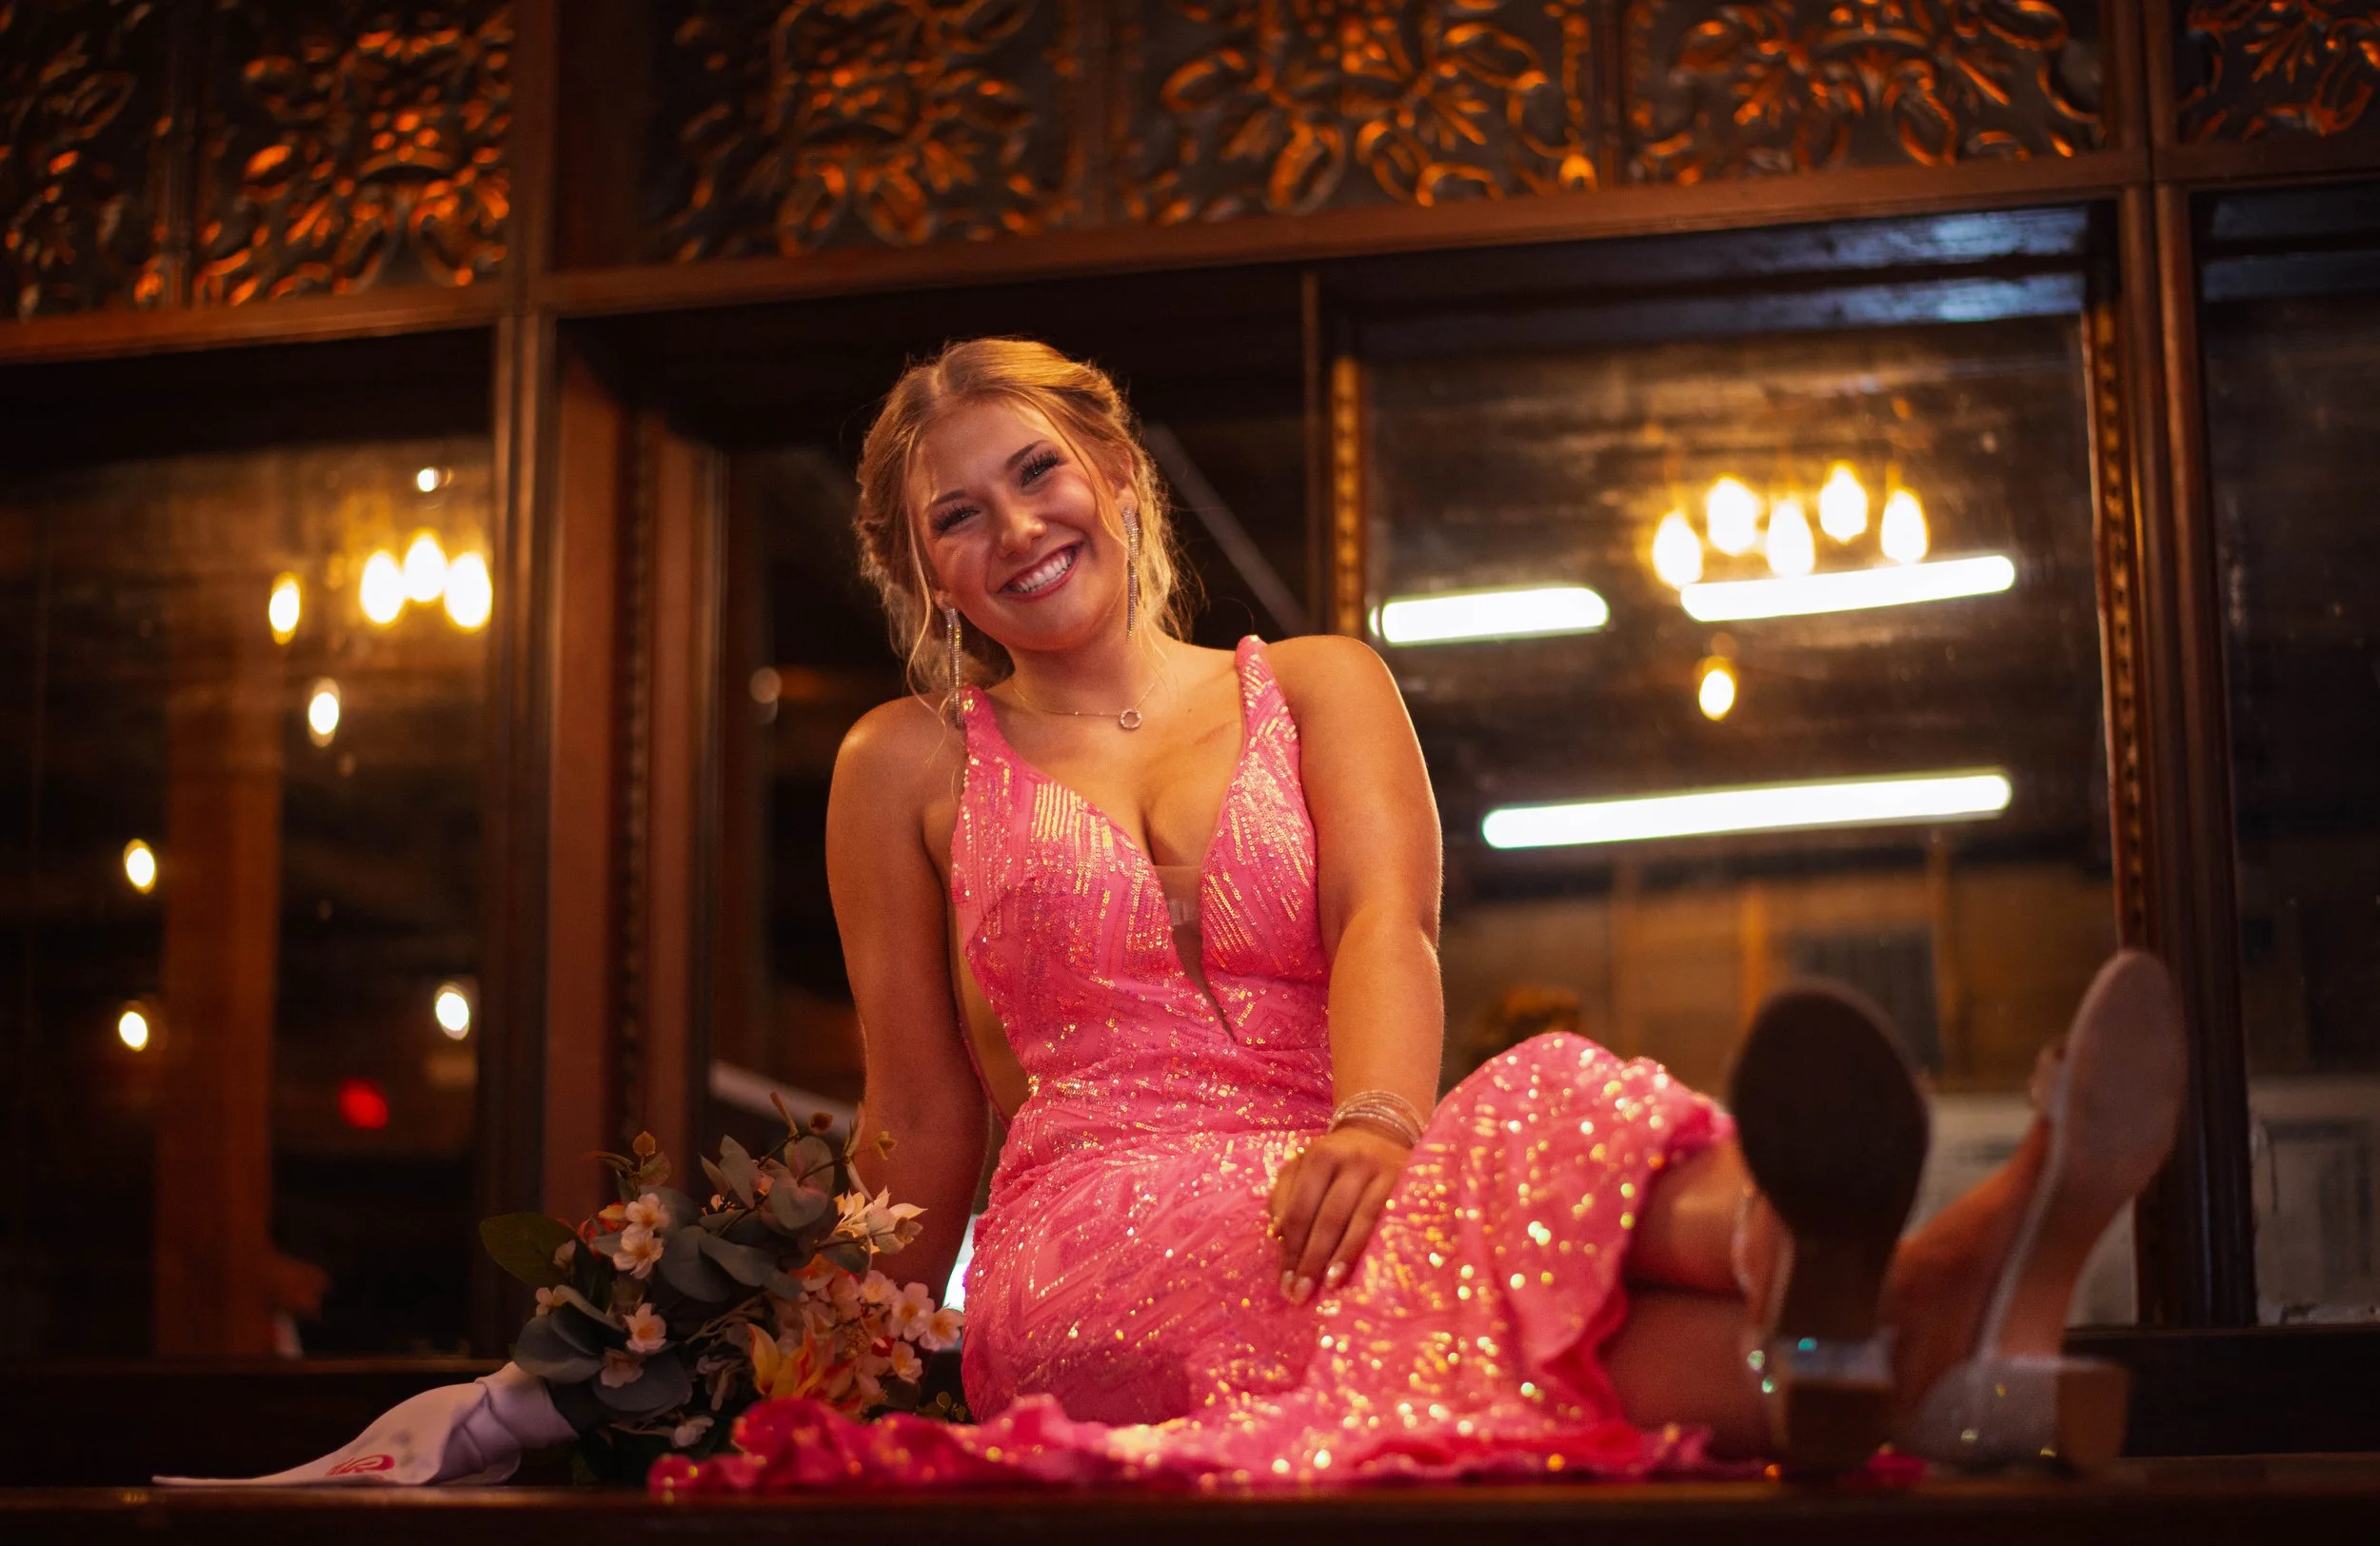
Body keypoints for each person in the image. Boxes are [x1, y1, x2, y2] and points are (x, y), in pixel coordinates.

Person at [656, 339, 2188, 1492]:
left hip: (1351, 1161)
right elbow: (916, 1119)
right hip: (1089, 1241)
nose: (1015, 527)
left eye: (1037, 472)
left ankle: (1902, 1356)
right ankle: (1934, 1272)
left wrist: (1385, 1122)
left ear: (1114, 471)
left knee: (1517, 1125)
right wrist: (807, 1382)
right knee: (1478, 1211)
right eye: (956, 517)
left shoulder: (1320, 683)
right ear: (925, 573)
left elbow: (1391, 925)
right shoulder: (900, 764)